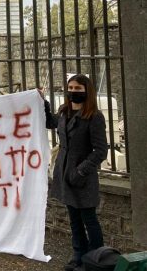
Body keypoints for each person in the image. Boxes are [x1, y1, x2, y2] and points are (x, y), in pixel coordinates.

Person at [44, 75, 108, 271]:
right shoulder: (65, 112)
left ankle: (96, 259)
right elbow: (51, 122)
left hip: (82, 177)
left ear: (86, 90)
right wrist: (43, 104)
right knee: (74, 219)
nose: (73, 91)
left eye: (77, 88)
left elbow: (100, 151)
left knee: (89, 219)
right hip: (64, 173)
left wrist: (80, 172)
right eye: (70, 87)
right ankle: (78, 255)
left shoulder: (94, 116)